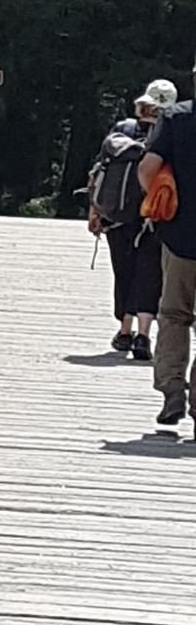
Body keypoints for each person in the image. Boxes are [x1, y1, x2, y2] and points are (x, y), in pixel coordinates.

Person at [88, 80, 175, 359]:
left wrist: (94, 210)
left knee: (123, 270)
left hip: (118, 215)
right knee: (150, 274)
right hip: (154, 215)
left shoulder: (122, 129)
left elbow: (98, 171)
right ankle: (143, 336)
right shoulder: (170, 133)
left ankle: (124, 331)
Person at [139, 66, 196, 431]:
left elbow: (148, 167)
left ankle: (173, 390)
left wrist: (158, 203)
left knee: (174, 314)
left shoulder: (176, 117)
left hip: (180, 236)